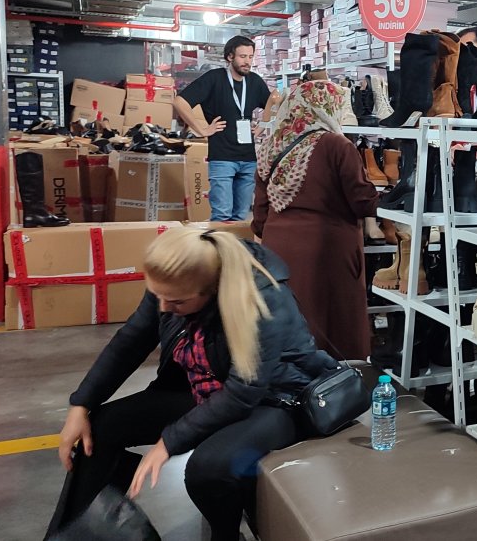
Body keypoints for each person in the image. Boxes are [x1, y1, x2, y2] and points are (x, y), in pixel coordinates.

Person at [47, 227, 336, 541]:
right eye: (157, 296)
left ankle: (225, 537)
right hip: (208, 387)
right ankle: (79, 535)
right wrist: (82, 403)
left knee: (207, 469)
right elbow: (130, 342)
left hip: (275, 398)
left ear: (211, 290)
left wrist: (169, 442)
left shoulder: (262, 298)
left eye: (176, 302)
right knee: (101, 427)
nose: (163, 308)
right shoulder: (172, 285)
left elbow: (243, 393)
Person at [252, 79, 379, 359]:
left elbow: (260, 213)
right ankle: (335, 380)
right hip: (326, 251)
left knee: (288, 322)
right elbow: (361, 200)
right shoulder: (337, 146)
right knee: (331, 325)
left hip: (278, 249)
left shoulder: (271, 145)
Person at [174, 36, 272, 221]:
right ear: (230, 57)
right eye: (242, 56)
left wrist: (262, 126)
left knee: (241, 217)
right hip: (222, 158)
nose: (247, 61)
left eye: (250, 56)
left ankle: (235, 242)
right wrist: (201, 129)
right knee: (222, 215)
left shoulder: (255, 81)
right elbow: (180, 102)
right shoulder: (214, 79)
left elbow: (273, 105)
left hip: (248, 159)